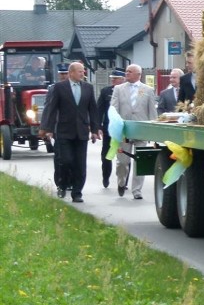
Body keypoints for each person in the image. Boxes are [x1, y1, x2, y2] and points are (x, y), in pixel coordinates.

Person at [39, 62, 101, 203]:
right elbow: (51, 109)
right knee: (66, 160)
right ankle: (62, 184)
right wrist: (46, 128)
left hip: (81, 131)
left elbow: (93, 110)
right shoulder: (59, 88)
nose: (82, 74)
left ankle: (77, 193)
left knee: (80, 164)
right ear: (71, 73)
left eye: (83, 71)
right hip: (64, 131)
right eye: (80, 71)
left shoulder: (88, 88)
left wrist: (95, 130)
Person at [110, 64, 157, 199]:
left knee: (140, 162)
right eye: (126, 71)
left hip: (141, 130)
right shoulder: (119, 89)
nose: (127, 73)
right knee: (122, 162)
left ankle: (137, 190)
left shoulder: (147, 90)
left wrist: (152, 132)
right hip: (124, 131)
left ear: (138, 74)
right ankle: (121, 181)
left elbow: (152, 112)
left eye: (130, 72)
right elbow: (114, 109)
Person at [40, 62, 69, 195]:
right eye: (61, 74)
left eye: (65, 74)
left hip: (73, 127)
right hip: (58, 126)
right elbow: (48, 108)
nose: (63, 76)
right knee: (59, 157)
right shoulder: (53, 88)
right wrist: (46, 127)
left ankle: (71, 182)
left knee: (73, 158)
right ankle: (60, 182)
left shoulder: (78, 87)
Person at [97, 68, 125, 188]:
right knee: (106, 155)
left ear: (123, 79)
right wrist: (97, 126)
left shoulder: (127, 91)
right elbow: (99, 110)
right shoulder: (105, 91)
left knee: (124, 156)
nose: (113, 80)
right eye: (112, 78)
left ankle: (123, 181)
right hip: (109, 128)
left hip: (124, 129)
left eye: (116, 78)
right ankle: (106, 177)